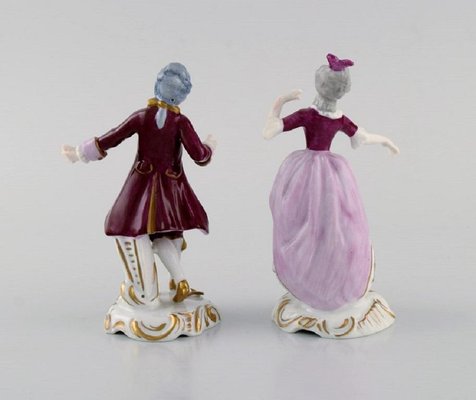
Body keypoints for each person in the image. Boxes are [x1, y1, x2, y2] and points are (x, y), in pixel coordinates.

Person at [62, 62, 217, 304]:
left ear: (157, 85)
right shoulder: (180, 122)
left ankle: (174, 285)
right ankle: (178, 282)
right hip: (170, 190)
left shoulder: (142, 116)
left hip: (142, 187)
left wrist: (80, 153)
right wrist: (210, 146)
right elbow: (200, 156)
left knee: (156, 232)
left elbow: (112, 137)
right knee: (168, 233)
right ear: (183, 95)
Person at [263, 54, 399, 311]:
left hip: (307, 173)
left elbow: (269, 131)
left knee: (319, 226)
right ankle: (324, 281)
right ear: (343, 91)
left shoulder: (308, 114)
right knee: (332, 227)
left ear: (319, 86)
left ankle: (319, 281)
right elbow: (364, 137)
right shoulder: (338, 119)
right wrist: (386, 142)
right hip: (328, 174)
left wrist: (280, 102)